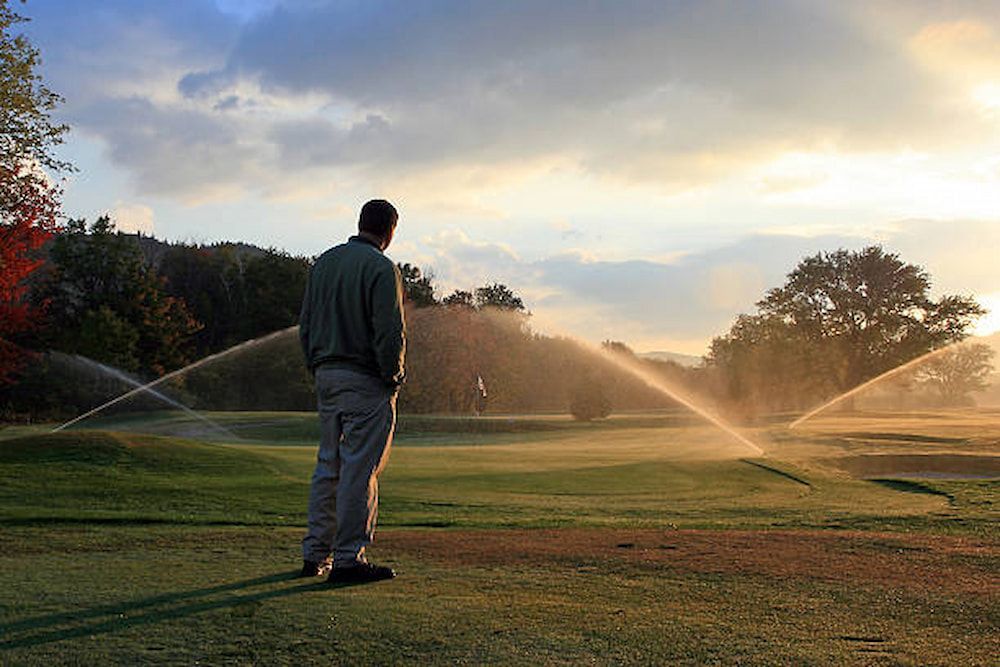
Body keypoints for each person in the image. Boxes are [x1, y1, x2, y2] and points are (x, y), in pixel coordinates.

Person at [298, 199, 406, 584]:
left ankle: (315, 554)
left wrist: (315, 365)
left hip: (326, 375)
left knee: (329, 465)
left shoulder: (324, 262)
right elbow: (388, 331)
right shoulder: (381, 268)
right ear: (390, 231)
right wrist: (392, 375)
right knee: (360, 468)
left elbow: (306, 323)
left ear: (360, 222)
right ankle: (347, 558)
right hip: (365, 379)